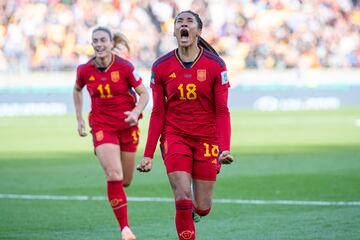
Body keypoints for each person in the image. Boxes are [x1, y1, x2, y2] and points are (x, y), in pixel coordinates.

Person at [137, 10, 234, 240]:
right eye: (179, 21)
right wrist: (148, 154)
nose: (183, 24)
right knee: (182, 195)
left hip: (207, 139)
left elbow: (222, 111)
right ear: (174, 31)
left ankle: (196, 209)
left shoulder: (216, 65)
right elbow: (158, 112)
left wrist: (224, 148)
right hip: (175, 135)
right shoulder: (161, 66)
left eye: (189, 21)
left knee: (202, 207)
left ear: (198, 31)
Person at [73, 26, 149, 240]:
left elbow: (144, 94)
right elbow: (77, 89)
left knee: (125, 181)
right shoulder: (84, 70)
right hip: (102, 126)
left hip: (127, 125)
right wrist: (79, 119)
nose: (98, 44)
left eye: (102, 40)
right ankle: (125, 228)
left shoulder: (125, 67)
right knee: (114, 174)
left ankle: (119, 197)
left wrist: (135, 112)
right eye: (95, 40)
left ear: (110, 43)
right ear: (91, 44)